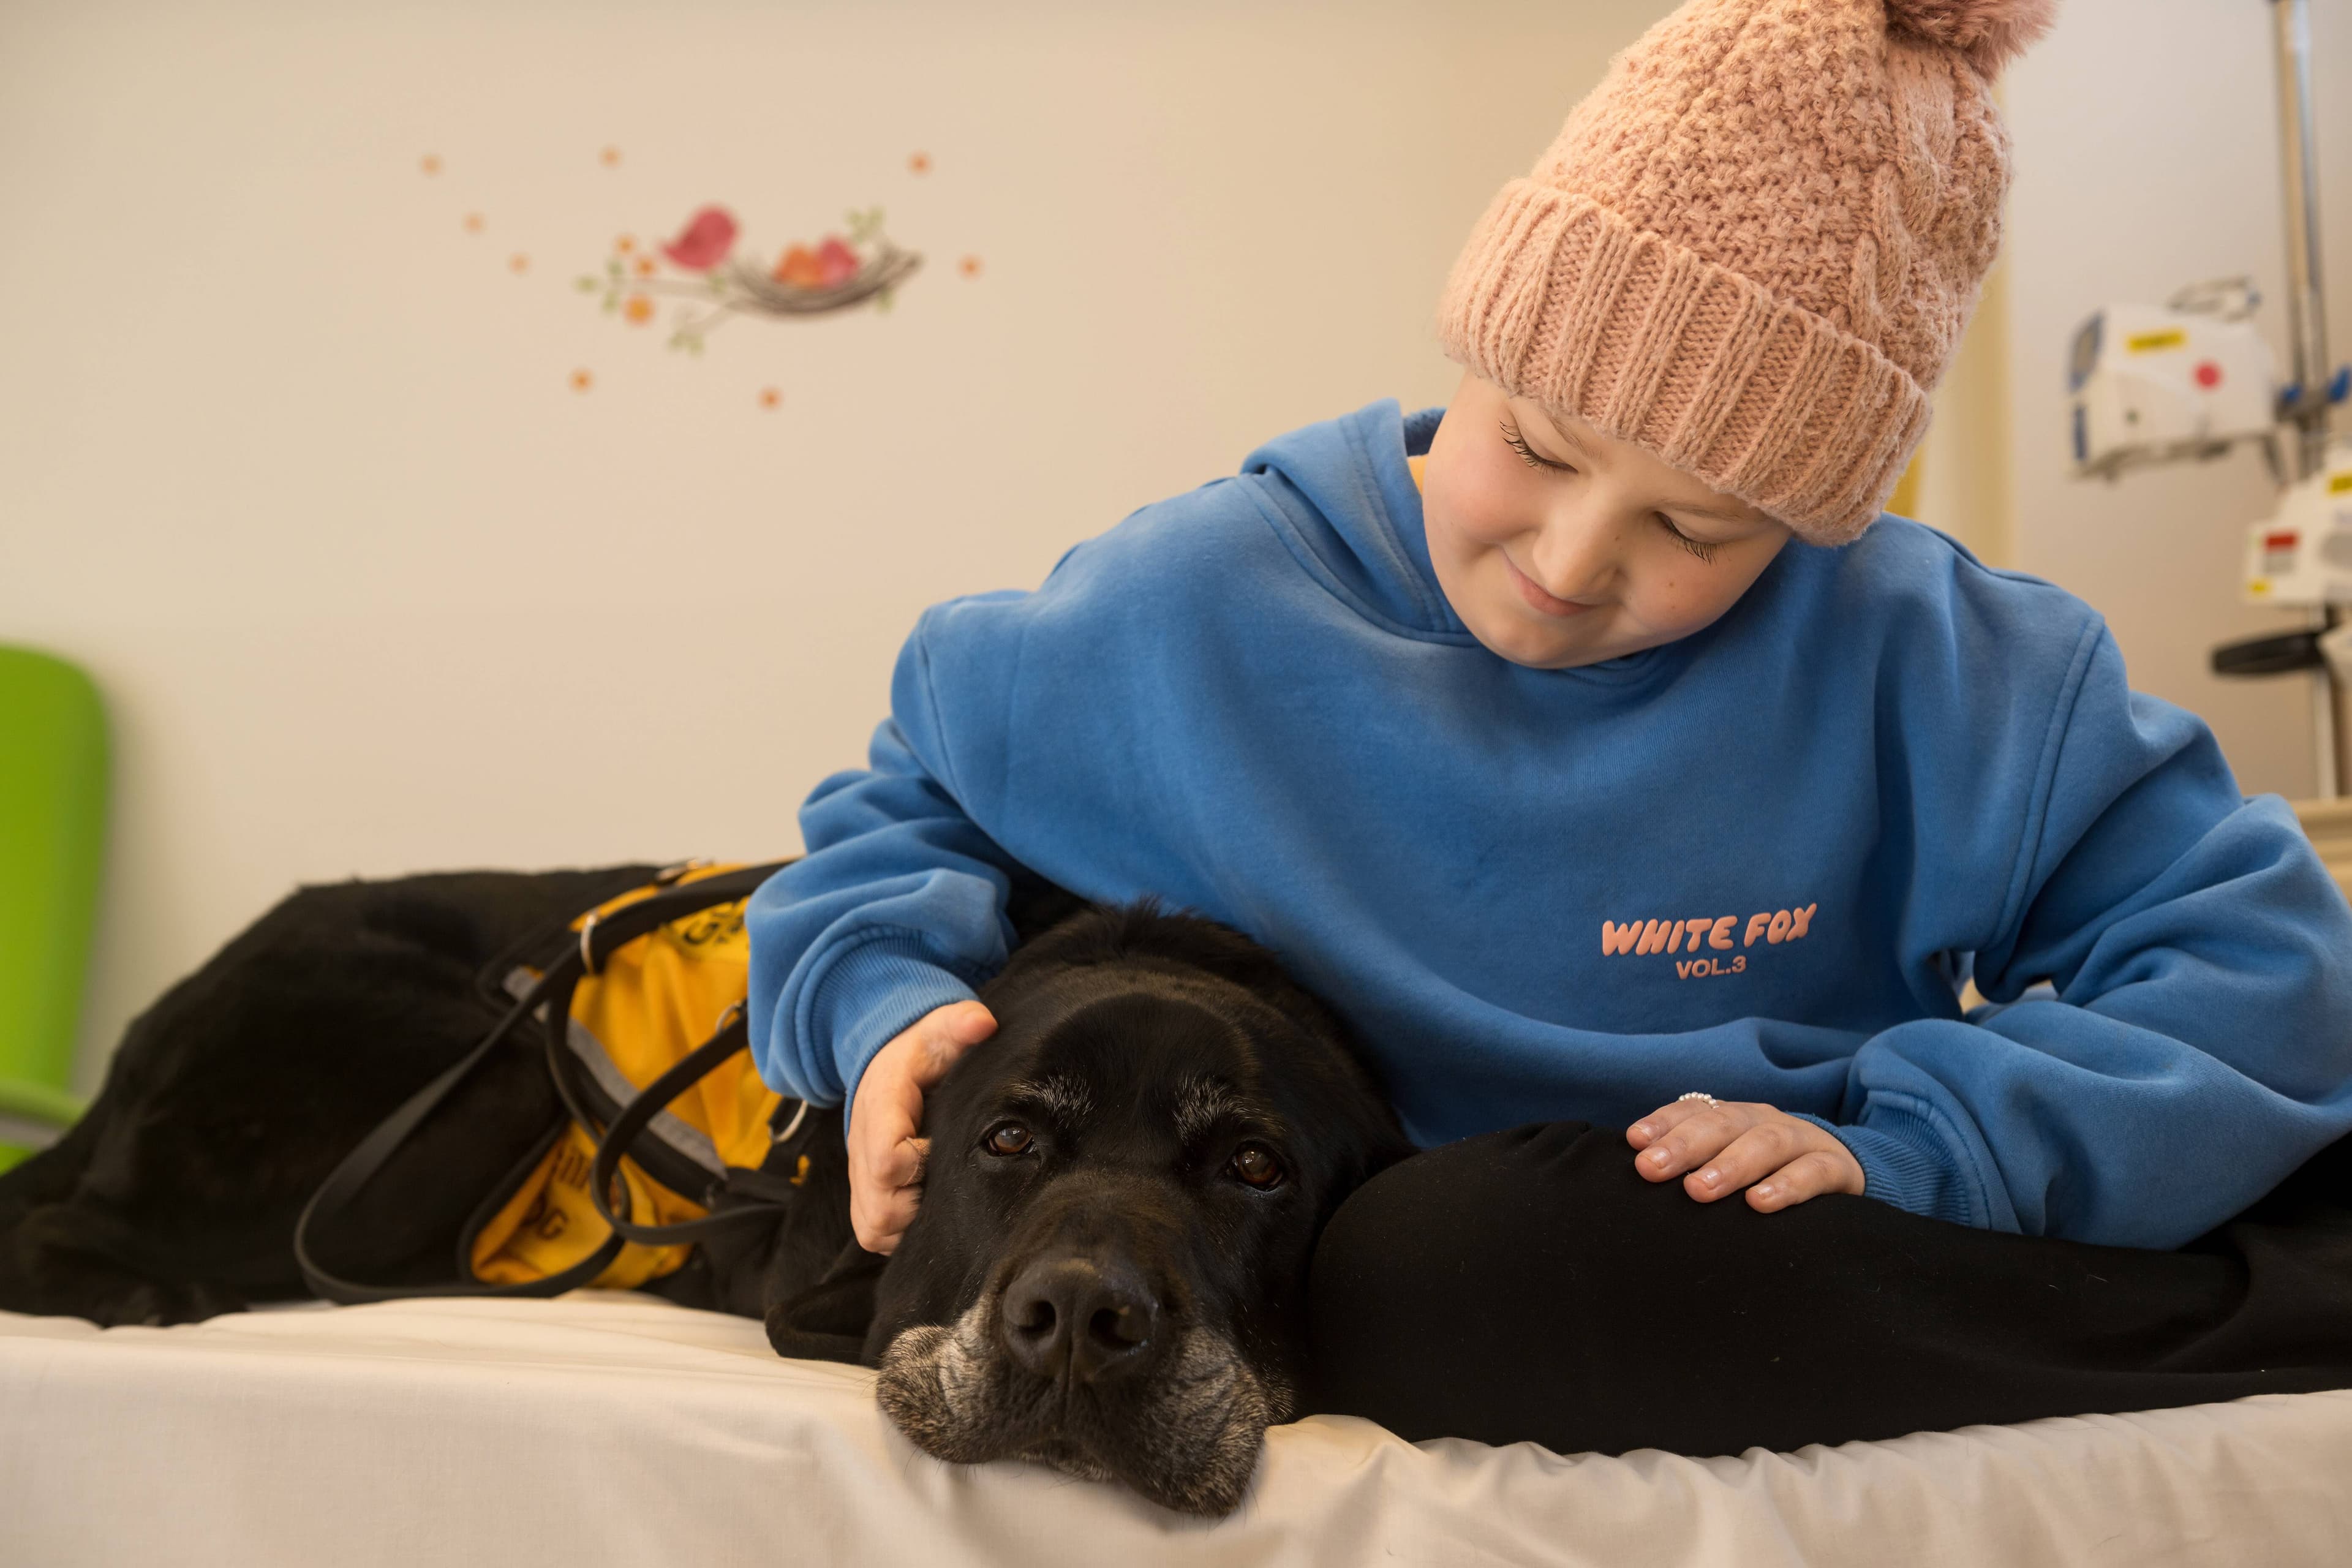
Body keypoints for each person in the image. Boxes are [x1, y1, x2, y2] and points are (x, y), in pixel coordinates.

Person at [746, 0, 2352, 1455]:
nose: (1574, 565)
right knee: (1428, 1276)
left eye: (1702, 531)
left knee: (1466, 1275)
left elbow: (2275, 980)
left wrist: (1921, 1141)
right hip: (1380, 1236)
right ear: (1482, 349)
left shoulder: (1942, 661)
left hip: (1691, 1226)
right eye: (1538, 444)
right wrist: (879, 1000)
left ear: (1812, 528)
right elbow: (911, 806)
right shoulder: (1192, 600)